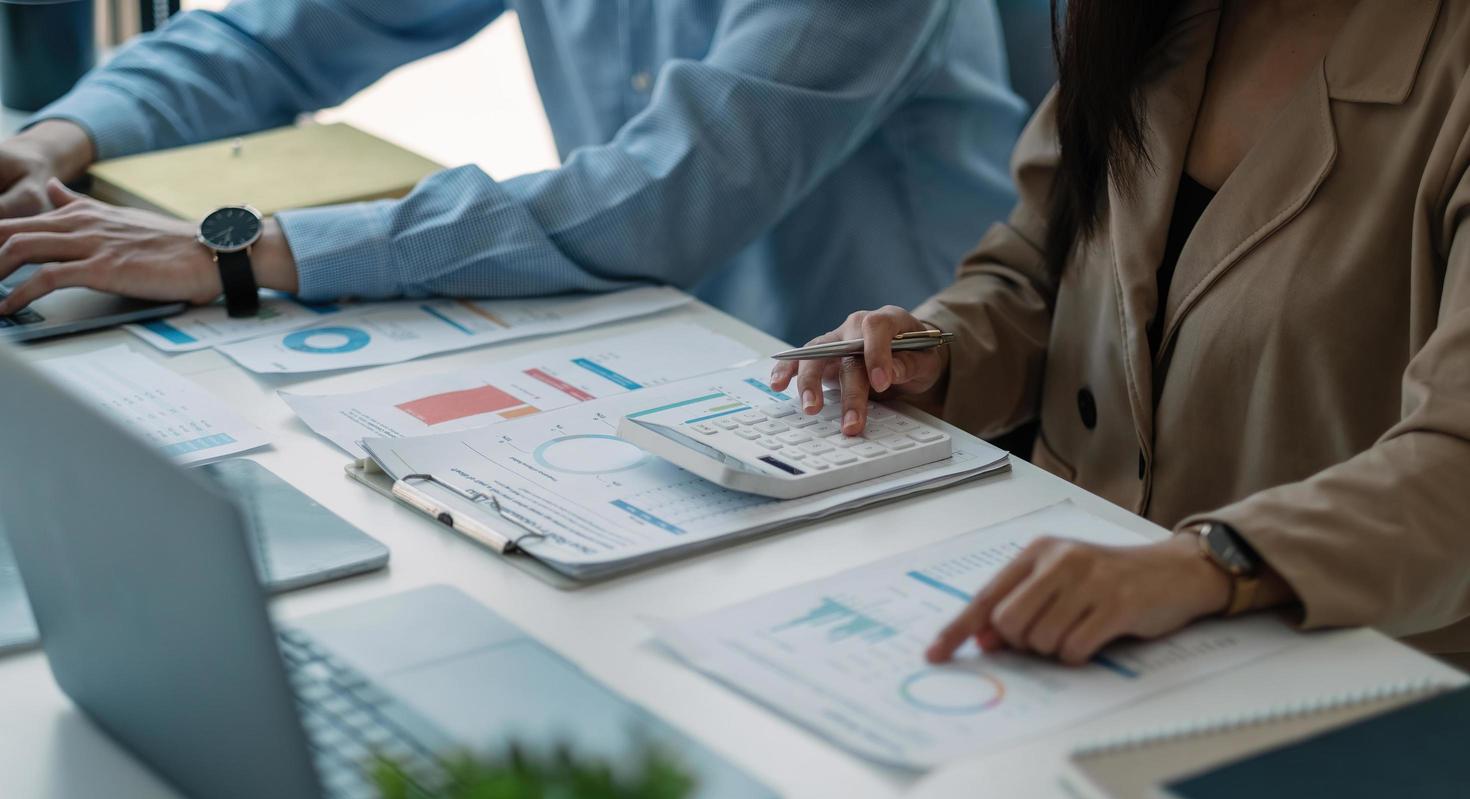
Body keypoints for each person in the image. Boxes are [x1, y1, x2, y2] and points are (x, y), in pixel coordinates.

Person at [772, 0, 1470, 666]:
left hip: (1350, 676)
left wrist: (1209, 563)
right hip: (1066, 612)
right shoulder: (1153, 20)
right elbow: (1036, 273)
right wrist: (930, 349)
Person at [0, 0, 1025, 343]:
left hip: (889, 393)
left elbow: (666, 192)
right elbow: (285, 37)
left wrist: (240, 250)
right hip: (644, 350)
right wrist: (55, 141)